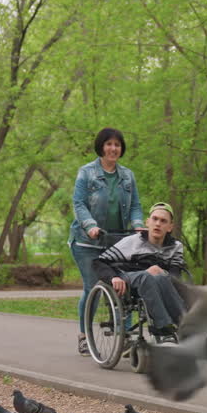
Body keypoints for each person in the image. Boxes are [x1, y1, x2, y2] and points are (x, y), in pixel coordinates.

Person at [69, 127, 144, 355]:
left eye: (117, 145)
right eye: (109, 144)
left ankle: (124, 335)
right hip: (87, 243)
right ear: (101, 146)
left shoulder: (127, 176)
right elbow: (79, 203)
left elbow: (135, 206)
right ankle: (84, 335)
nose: (113, 148)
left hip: (118, 239)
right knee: (92, 287)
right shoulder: (86, 172)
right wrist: (90, 226)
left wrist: (138, 223)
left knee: (124, 284)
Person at [92, 202, 187, 340]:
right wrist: (113, 277)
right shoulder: (131, 242)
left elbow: (175, 275)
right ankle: (162, 327)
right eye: (154, 219)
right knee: (146, 277)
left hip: (160, 285)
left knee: (161, 278)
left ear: (170, 227)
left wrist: (161, 272)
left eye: (163, 221)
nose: (158, 224)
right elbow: (98, 262)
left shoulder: (176, 247)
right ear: (147, 222)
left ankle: (185, 323)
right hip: (129, 279)